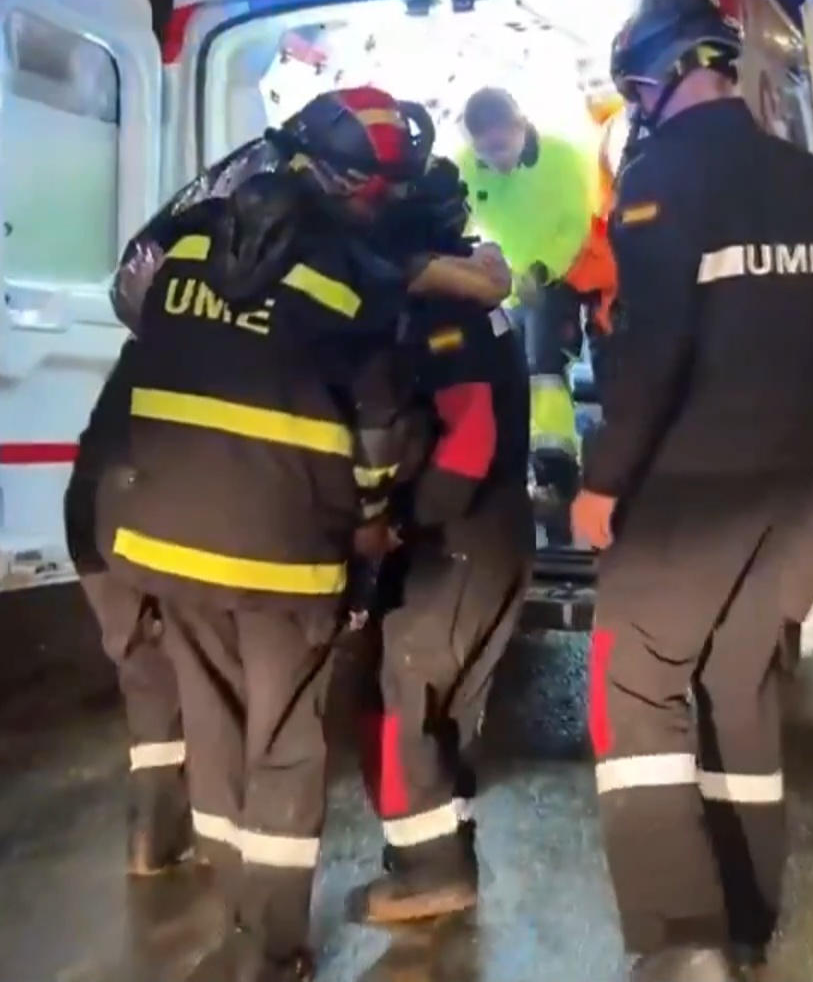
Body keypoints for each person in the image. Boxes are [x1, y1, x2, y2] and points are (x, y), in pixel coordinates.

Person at [570, 0, 813, 982]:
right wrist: (781, 419)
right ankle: (746, 921)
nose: (639, 110)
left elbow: (653, 350)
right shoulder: (812, 181)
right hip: (785, 494)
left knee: (636, 694)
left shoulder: (660, 180)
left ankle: (678, 942)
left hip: (685, 501)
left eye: (636, 91)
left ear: (661, 76)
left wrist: (603, 480)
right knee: (741, 696)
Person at [107, 86, 433, 982]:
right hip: (288, 555)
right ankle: (268, 950)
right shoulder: (362, 277)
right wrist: (370, 517)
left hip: (167, 543)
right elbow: (383, 436)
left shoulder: (183, 244)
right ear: (356, 185)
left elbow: (135, 316)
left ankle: (234, 908)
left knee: (211, 723)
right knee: (285, 739)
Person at [350, 289, 532, 924]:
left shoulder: (443, 318)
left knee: (406, 693)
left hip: (457, 538)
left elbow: (469, 433)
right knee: (447, 709)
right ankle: (439, 856)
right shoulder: (476, 304)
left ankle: (430, 874)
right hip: (494, 531)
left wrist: (400, 521)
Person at [66, 335, 194, 877]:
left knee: (145, 675)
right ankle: (187, 835)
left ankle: (151, 840)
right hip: (146, 527)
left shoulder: (142, 349)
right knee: (195, 675)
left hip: (91, 523)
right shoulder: (226, 355)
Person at [453, 88, 601, 536]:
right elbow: (461, 219)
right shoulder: (466, 164)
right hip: (509, 283)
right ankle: (511, 464)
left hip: (558, 276)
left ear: (521, 128)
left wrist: (542, 271)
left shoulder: (562, 159)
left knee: (543, 368)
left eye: (501, 147)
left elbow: (576, 224)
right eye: (485, 149)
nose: (494, 159)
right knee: (504, 366)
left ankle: (557, 469)